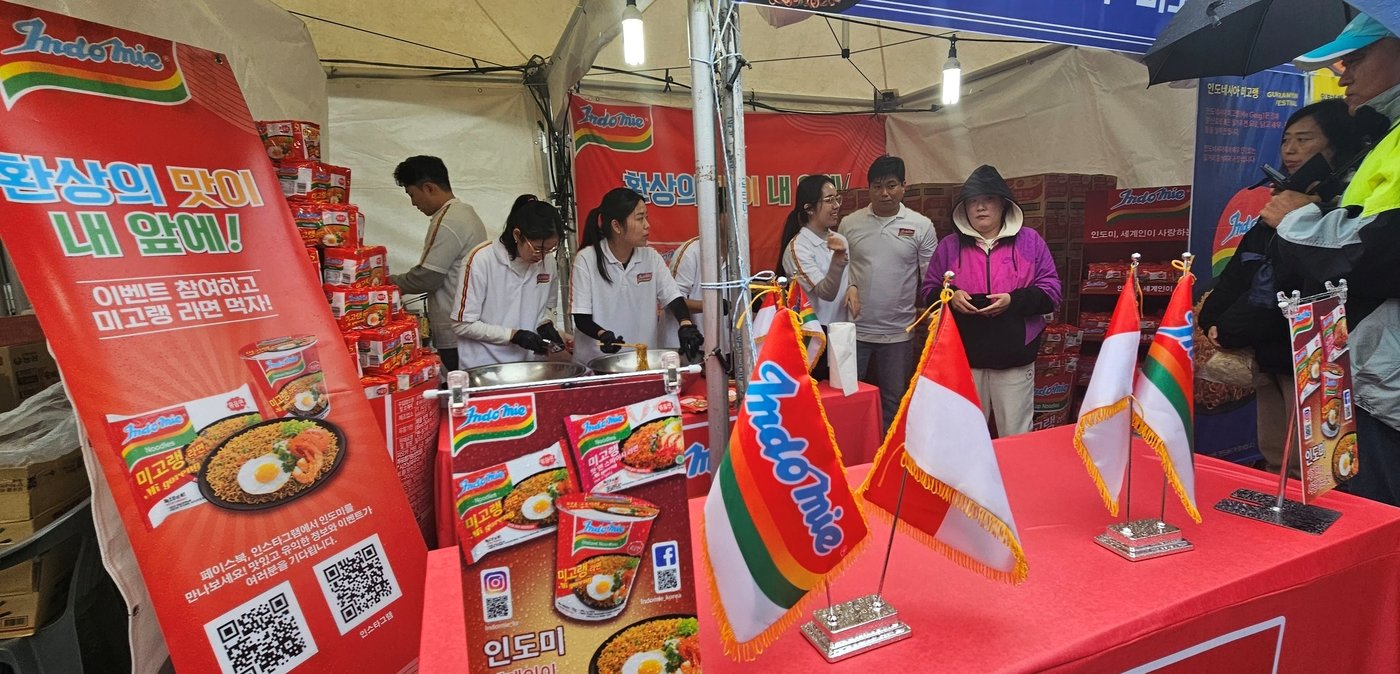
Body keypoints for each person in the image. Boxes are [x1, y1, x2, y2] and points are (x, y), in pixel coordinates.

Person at [1262, 14, 1400, 505]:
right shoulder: (1383, 136)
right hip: (1361, 367)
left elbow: (1381, 250)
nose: (1342, 73)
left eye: (1357, 59)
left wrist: (1298, 221)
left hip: (1382, 383)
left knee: (1372, 530)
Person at [1200, 99, 1366, 474]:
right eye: (1286, 140)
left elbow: (1282, 283)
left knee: (1317, 464)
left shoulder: (1339, 209)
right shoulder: (1280, 201)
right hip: (1266, 355)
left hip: (1313, 357)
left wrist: (1229, 327)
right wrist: (1214, 316)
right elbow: (1244, 269)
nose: (1290, 150)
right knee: (1275, 452)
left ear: (1335, 146)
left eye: (1304, 139)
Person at [924, 165, 1060, 437]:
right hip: (963, 358)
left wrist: (1013, 300)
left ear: (1003, 204)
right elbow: (928, 291)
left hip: (1013, 357)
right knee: (966, 435)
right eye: (973, 201)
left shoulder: (1030, 241)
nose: (980, 208)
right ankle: (968, 481)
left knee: (1016, 434)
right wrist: (951, 296)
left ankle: (1015, 480)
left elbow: (1052, 292)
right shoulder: (949, 246)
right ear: (964, 209)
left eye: (988, 200)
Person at [842, 156, 938, 430]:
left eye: (891, 185)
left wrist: (933, 312)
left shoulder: (921, 225)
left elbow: (930, 276)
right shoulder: (851, 223)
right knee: (850, 396)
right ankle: (853, 454)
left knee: (894, 399)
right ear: (868, 188)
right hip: (855, 330)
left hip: (899, 331)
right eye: (877, 186)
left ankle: (888, 456)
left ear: (904, 187)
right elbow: (839, 268)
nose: (884, 193)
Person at [572, 187, 704, 367]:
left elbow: (673, 297)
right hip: (598, 364)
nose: (647, 225)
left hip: (642, 363)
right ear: (617, 226)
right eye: (640, 218)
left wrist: (685, 323)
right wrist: (603, 335)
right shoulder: (586, 259)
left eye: (646, 217)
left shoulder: (650, 256)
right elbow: (581, 317)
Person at [388, 156, 487, 372]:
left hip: (455, 328)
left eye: (412, 195)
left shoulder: (449, 220)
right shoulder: (465, 213)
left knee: (461, 388)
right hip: (469, 323)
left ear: (429, 188)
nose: (413, 203)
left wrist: (385, 285)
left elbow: (427, 277)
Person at [449, 195, 569, 369]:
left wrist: (546, 324)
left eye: (549, 249)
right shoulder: (481, 260)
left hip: (529, 367)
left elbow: (547, 309)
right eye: (538, 248)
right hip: (485, 368)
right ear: (517, 235)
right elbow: (462, 324)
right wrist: (513, 335)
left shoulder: (548, 261)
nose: (542, 256)